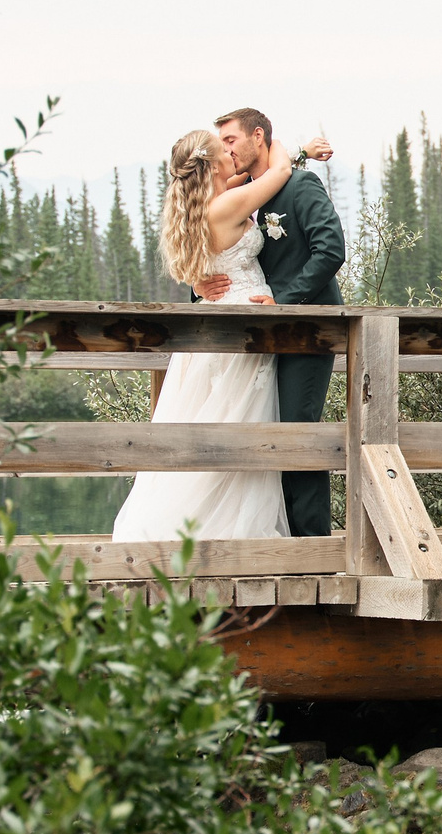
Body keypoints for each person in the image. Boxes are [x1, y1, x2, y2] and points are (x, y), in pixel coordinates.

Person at [106, 127, 317, 543]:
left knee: (214, 416)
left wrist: (304, 151)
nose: (231, 153)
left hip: (216, 318)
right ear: (212, 163)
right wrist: (274, 142)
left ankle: (208, 525)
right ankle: (228, 531)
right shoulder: (230, 204)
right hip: (242, 323)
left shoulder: (211, 201)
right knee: (239, 418)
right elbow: (275, 172)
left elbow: (248, 179)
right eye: (224, 148)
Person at [197, 107, 344, 537]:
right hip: (258, 340)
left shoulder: (300, 185)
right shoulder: (246, 192)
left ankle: (313, 544)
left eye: (230, 140)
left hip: (306, 331)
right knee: (260, 432)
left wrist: (283, 299)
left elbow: (330, 249)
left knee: (297, 431)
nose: (224, 149)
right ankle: (272, 536)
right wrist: (200, 287)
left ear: (257, 137)